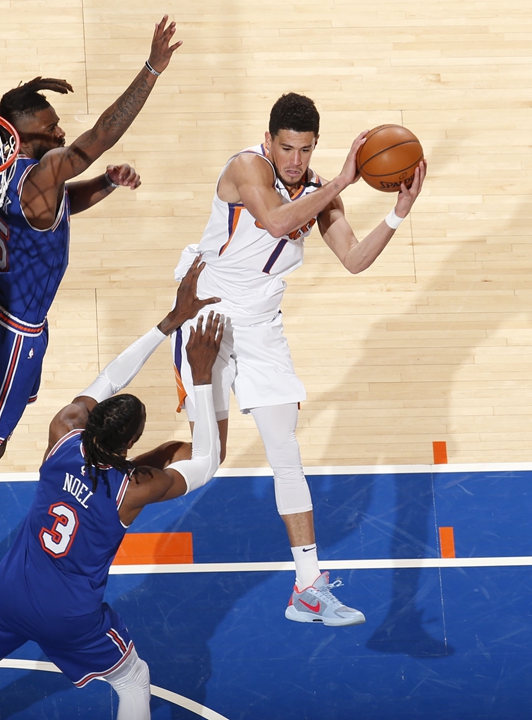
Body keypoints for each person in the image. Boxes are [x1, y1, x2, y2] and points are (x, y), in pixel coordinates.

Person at [0, 16, 184, 615]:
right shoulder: (40, 172)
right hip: (11, 337)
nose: (61, 133)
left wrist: (103, 185)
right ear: (24, 140)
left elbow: (56, 204)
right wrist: (151, 69)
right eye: (50, 131)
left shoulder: (10, 166)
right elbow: (100, 135)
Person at [0, 259, 223, 720]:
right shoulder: (133, 489)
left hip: (10, 594)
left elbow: (110, 378)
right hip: (69, 616)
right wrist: (201, 375)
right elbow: (208, 462)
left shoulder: (63, 433)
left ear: (92, 421)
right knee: (133, 680)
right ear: (133, 443)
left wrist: (168, 323)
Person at [171, 92, 427, 627]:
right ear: (269, 140)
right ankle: (110, 477)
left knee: (286, 453)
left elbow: (354, 259)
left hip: (261, 326)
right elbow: (272, 221)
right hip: (207, 317)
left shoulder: (320, 193)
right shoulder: (246, 168)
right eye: (287, 148)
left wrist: (397, 214)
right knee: (207, 460)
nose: (295, 160)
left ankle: (308, 589)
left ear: (315, 146)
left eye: (305, 150)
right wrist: (342, 182)